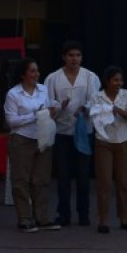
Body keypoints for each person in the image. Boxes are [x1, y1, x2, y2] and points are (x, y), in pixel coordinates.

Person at [44, 40, 99, 227]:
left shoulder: (90, 77)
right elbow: (48, 105)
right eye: (70, 55)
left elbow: (96, 101)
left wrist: (85, 108)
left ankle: (83, 214)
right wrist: (61, 106)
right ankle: (64, 214)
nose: (74, 59)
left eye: (77, 55)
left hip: (84, 131)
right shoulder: (53, 78)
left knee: (83, 176)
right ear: (64, 57)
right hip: (62, 133)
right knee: (63, 176)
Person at [4, 58, 61, 232]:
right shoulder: (13, 94)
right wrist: (35, 115)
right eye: (32, 71)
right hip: (21, 139)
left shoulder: (43, 89)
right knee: (21, 179)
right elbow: (11, 121)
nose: (36, 74)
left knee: (41, 180)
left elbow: (51, 106)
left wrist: (55, 109)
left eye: (37, 71)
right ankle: (24, 218)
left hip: (42, 138)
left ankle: (42, 218)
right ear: (23, 75)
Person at [89, 66, 127, 233]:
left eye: (121, 80)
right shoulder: (97, 96)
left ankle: (124, 218)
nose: (119, 83)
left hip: (123, 141)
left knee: (124, 182)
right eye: (116, 80)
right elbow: (93, 116)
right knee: (104, 182)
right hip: (103, 141)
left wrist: (117, 110)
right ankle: (103, 220)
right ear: (107, 81)